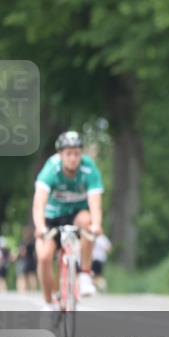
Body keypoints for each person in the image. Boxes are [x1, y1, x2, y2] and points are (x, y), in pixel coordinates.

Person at [32, 130, 105, 311]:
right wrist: (40, 227)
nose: (73, 158)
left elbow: (95, 204)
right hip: (52, 217)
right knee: (44, 256)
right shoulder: (51, 169)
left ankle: (85, 275)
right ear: (60, 154)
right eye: (69, 154)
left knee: (88, 223)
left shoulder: (89, 169)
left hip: (76, 214)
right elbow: (38, 204)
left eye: (77, 153)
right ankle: (48, 304)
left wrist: (96, 225)